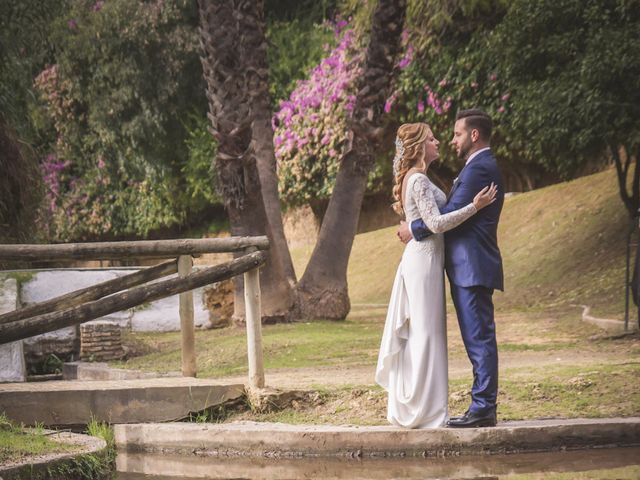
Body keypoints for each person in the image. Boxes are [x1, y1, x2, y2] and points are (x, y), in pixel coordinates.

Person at [375, 122, 497, 428]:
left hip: (428, 262)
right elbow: (436, 224)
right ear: (419, 147)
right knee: (426, 334)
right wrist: (474, 205)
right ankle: (424, 410)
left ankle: (424, 406)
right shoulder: (417, 180)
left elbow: (428, 223)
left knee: (426, 334)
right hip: (423, 262)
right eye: (432, 139)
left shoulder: (420, 178)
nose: (439, 142)